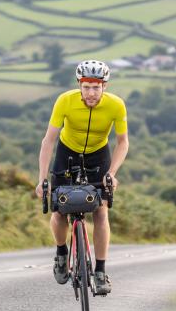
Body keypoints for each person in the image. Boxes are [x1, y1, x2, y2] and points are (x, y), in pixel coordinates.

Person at [35, 60, 129, 295]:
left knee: (100, 211)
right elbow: (48, 141)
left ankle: (100, 271)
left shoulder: (116, 105)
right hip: (67, 154)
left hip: (99, 156)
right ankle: (61, 253)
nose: (91, 93)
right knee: (59, 210)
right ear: (79, 84)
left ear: (104, 87)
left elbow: (123, 142)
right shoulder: (64, 101)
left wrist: (112, 174)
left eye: (96, 87)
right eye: (86, 87)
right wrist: (42, 178)